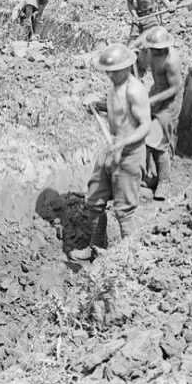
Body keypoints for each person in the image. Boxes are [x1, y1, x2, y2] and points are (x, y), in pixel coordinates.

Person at [68, 44, 151, 263]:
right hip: (111, 146)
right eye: (108, 71)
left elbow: (145, 126)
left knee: (124, 211)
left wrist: (125, 141)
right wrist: (100, 106)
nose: (110, 75)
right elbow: (119, 110)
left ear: (126, 67)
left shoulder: (135, 90)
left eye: (114, 71)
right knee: (94, 200)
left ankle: (128, 262)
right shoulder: (115, 86)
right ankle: (96, 246)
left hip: (129, 153)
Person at [135, 26, 183, 200]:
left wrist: (151, 101)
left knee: (158, 142)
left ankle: (164, 182)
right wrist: (135, 54)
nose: (155, 52)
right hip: (156, 92)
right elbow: (141, 63)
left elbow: (175, 88)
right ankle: (149, 175)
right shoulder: (150, 53)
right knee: (143, 132)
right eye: (152, 50)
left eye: (158, 50)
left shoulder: (172, 61)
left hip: (170, 102)